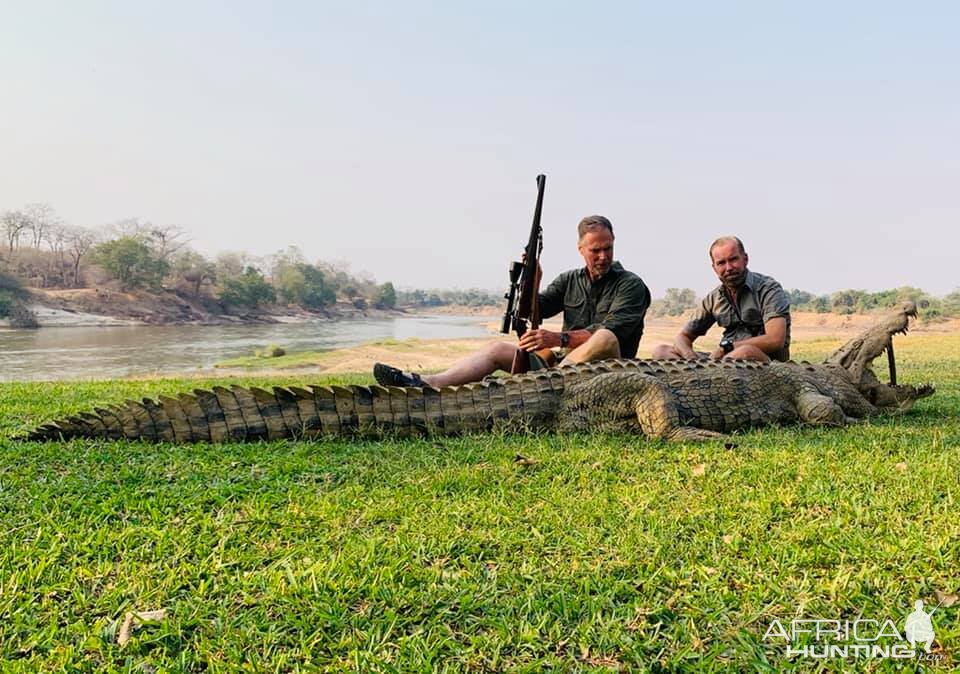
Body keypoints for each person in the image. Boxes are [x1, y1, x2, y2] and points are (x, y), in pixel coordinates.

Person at [374, 215, 651, 387]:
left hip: (609, 371)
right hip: (563, 368)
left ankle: (546, 387)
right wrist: (533, 279)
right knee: (496, 349)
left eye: (608, 248)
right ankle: (428, 383)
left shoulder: (631, 285)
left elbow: (609, 333)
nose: (603, 256)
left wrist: (557, 339)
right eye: (596, 250)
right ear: (581, 249)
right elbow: (536, 312)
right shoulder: (569, 280)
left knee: (604, 338)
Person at [651, 236, 790, 362]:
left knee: (744, 352)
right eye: (721, 263)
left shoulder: (768, 289)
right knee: (661, 351)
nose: (728, 268)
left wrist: (727, 348)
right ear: (714, 268)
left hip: (766, 362)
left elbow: (775, 339)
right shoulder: (714, 297)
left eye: (733, 259)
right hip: (725, 360)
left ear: (745, 259)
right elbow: (683, 337)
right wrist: (690, 357)